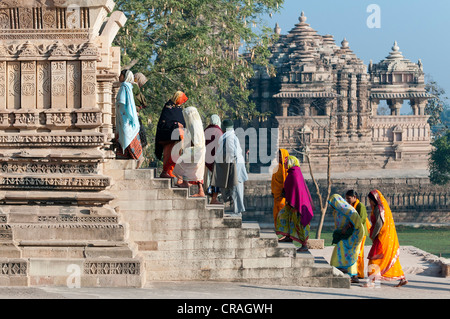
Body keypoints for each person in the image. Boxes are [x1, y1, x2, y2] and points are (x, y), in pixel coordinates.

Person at [365, 189, 408, 287]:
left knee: (374, 257)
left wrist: (373, 235)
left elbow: (379, 224)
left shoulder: (378, 209)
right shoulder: (381, 208)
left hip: (381, 237)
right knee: (390, 257)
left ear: (374, 200)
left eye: (370, 200)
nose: (370, 202)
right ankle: (402, 278)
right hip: (386, 237)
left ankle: (371, 281)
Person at [275, 156, 314, 252]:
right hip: (292, 202)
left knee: (299, 224)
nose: (284, 164)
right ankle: (288, 236)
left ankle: (304, 245)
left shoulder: (295, 173)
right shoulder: (292, 172)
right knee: (283, 215)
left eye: (286, 162)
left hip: (298, 204)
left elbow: (296, 189)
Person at [211, 119, 248, 217]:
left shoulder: (229, 138)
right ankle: (237, 211)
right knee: (235, 189)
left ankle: (237, 212)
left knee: (236, 189)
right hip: (234, 165)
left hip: (234, 166)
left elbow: (232, 153)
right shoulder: (229, 136)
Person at [328, 194, 364, 283]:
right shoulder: (337, 211)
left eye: (332, 203)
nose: (331, 206)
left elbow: (356, 220)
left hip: (354, 234)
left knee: (344, 251)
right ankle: (353, 276)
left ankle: (340, 268)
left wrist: (347, 227)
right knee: (350, 254)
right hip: (346, 235)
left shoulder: (347, 210)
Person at [173, 106, 206, 197]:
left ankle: (185, 182)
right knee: (197, 170)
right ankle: (200, 190)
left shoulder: (193, 124)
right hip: (200, 149)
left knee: (181, 163)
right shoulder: (198, 123)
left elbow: (194, 139)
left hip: (196, 149)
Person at [115, 69, 144, 169]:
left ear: (124, 76)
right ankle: (125, 158)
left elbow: (122, 102)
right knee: (124, 137)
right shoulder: (129, 86)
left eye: (120, 75)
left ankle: (139, 157)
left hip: (125, 117)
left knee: (128, 136)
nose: (119, 77)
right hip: (125, 117)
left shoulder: (124, 87)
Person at [155, 91, 188, 178]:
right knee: (168, 154)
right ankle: (165, 171)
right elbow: (164, 122)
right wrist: (176, 124)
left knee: (176, 154)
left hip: (179, 136)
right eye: (181, 99)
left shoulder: (179, 108)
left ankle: (171, 172)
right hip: (168, 135)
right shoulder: (168, 107)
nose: (182, 102)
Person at [345, 190, 371, 281]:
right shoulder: (352, 206)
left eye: (349, 198)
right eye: (346, 198)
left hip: (361, 232)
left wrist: (351, 225)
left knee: (358, 253)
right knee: (356, 252)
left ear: (354, 197)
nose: (347, 200)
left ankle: (359, 273)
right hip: (356, 232)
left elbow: (362, 219)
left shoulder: (360, 206)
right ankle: (358, 273)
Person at [204, 114, 223, 204]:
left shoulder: (206, 130)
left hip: (206, 160)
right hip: (215, 160)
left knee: (207, 179)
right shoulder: (218, 131)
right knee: (215, 180)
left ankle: (209, 197)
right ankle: (214, 199)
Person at [271, 149, 290, 229]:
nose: (279, 157)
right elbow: (273, 181)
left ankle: (284, 233)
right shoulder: (276, 168)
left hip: (284, 196)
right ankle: (278, 230)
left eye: (280, 156)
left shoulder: (288, 169)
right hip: (277, 196)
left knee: (283, 215)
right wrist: (273, 191)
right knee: (276, 214)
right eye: (278, 156)